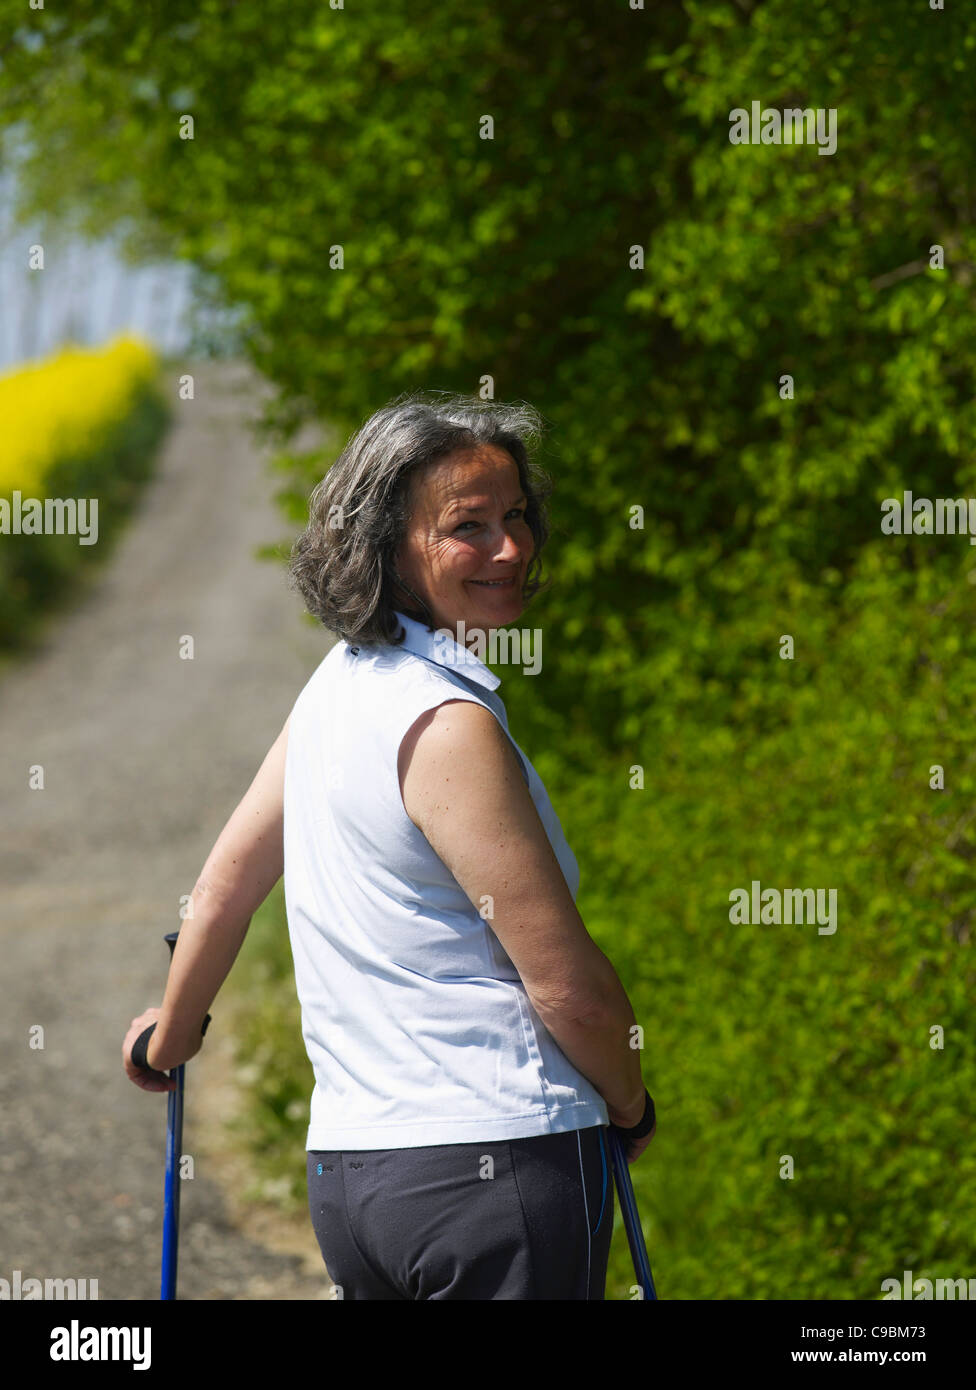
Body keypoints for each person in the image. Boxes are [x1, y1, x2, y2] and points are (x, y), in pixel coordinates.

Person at [123, 391, 656, 1300]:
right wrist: (632, 1104)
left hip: (353, 1184)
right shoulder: (449, 726)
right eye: (469, 526)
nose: (513, 547)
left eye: (517, 515)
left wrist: (167, 1041)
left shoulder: (334, 691)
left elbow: (220, 896)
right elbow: (569, 989)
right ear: (385, 547)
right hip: (499, 1169)